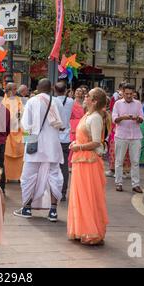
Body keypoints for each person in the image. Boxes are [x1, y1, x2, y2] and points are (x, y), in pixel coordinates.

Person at [14, 79, 63, 221]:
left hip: (34, 144)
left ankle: (27, 208)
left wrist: (27, 145)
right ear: (51, 88)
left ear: (37, 88)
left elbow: (25, 125)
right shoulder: (57, 102)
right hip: (53, 145)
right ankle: (53, 211)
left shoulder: (32, 101)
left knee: (28, 177)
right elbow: (63, 125)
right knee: (54, 176)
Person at [67, 88, 108, 245]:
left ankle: (92, 231)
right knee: (79, 195)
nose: (85, 97)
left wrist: (79, 147)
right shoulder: (88, 115)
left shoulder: (96, 117)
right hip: (80, 160)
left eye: (88, 96)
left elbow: (96, 142)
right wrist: (76, 143)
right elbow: (83, 137)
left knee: (88, 196)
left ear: (95, 101)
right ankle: (80, 229)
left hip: (89, 162)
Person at [112, 84, 144, 193]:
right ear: (123, 92)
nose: (129, 96)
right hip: (121, 135)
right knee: (119, 160)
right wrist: (123, 117)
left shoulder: (138, 104)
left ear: (134, 93)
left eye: (131, 94)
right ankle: (118, 183)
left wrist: (137, 118)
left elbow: (142, 119)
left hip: (135, 136)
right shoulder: (117, 104)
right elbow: (114, 119)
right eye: (127, 94)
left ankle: (136, 184)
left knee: (135, 161)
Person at [54, 82, 74, 202]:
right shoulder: (71, 101)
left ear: (55, 90)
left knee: (53, 166)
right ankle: (63, 192)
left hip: (54, 137)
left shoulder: (53, 101)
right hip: (66, 137)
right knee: (64, 166)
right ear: (66, 89)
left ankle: (54, 190)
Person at [3, 83, 24, 183]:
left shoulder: (18, 100)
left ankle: (19, 176)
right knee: (6, 156)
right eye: (14, 89)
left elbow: (23, 113)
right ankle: (6, 176)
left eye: (16, 89)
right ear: (9, 90)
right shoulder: (4, 100)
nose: (16, 91)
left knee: (20, 155)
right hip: (7, 131)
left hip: (18, 129)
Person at [68, 88, 85, 166]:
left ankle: (77, 160)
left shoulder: (84, 103)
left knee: (80, 142)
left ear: (82, 93)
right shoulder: (70, 102)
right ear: (74, 93)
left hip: (82, 124)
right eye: (77, 90)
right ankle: (70, 162)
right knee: (72, 143)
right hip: (73, 124)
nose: (78, 92)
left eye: (80, 91)